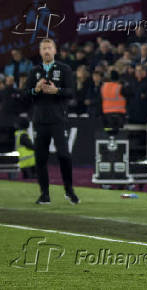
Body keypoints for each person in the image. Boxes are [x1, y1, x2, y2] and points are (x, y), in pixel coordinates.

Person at [25, 38, 80, 205]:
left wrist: (57, 90)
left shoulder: (64, 69)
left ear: (55, 50)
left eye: (49, 48)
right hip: (40, 120)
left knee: (64, 155)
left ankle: (69, 190)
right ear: (40, 52)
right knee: (40, 158)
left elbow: (71, 92)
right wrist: (36, 89)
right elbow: (24, 95)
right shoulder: (34, 71)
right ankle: (44, 194)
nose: (47, 51)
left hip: (57, 119)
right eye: (44, 48)